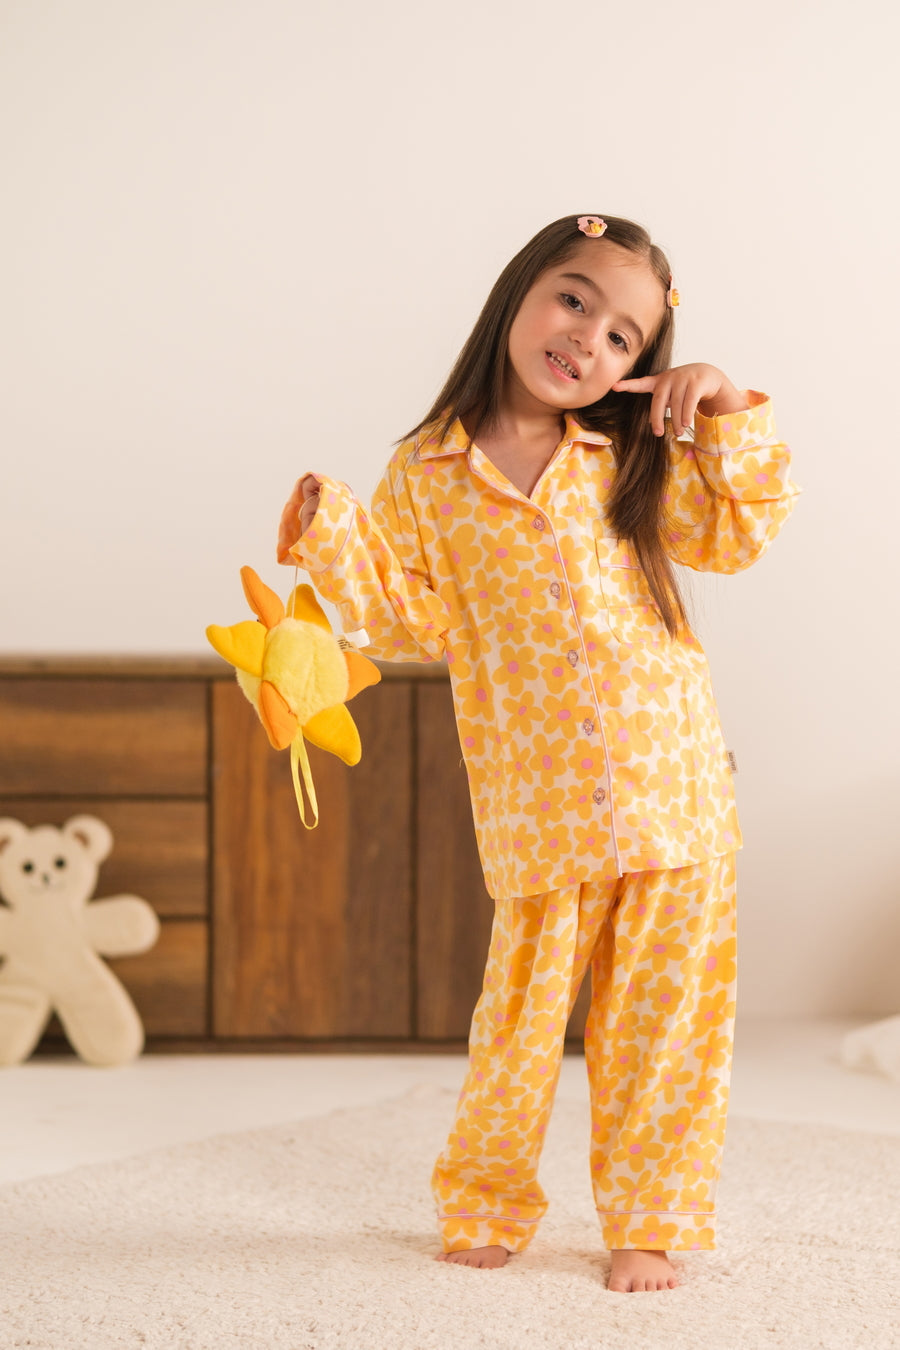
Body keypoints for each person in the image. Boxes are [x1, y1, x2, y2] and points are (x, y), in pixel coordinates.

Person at [276, 213, 799, 1293]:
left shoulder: (636, 448)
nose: (587, 340)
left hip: (675, 791)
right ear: (520, 290)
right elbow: (410, 622)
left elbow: (737, 537)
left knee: (664, 1027)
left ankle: (650, 1221)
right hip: (537, 805)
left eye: (622, 337)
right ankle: (486, 1202)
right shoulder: (426, 471)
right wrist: (331, 534)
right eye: (573, 300)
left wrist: (721, 405)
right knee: (515, 1028)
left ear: (639, 364)